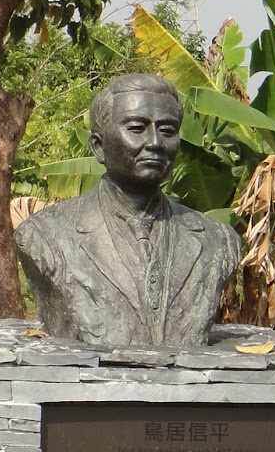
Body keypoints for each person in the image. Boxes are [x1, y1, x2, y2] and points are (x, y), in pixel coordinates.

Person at [14, 73, 241, 349]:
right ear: (99, 147)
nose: (155, 142)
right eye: (137, 128)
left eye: (167, 130)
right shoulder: (45, 235)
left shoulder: (218, 240)